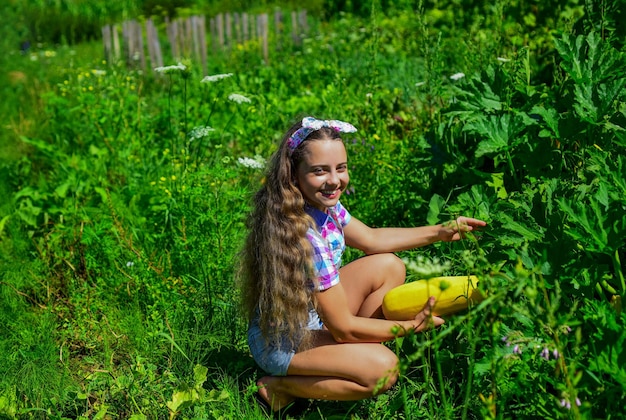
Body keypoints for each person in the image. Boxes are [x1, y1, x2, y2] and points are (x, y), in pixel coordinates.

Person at [239, 116, 487, 412]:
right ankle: (281, 387)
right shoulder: (306, 239)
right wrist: (408, 327)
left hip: (314, 319)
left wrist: (441, 232)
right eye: (319, 171)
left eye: (340, 168)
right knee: (383, 370)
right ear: (294, 174)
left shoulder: (321, 205)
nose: (334, 180)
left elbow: (371, 239)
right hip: (284, 343)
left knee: (388, 266)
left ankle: (353, 357)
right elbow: (343, 329)